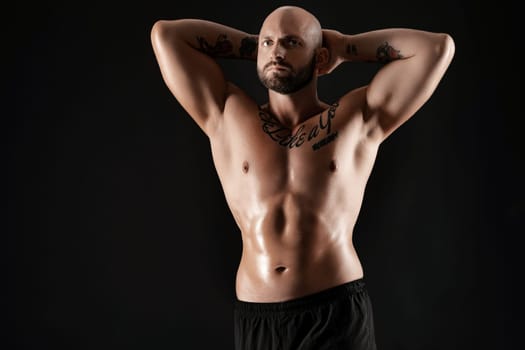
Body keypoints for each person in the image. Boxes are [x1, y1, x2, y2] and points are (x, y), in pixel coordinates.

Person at [150, 5, 454, 350]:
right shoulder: (226, 114)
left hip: (335, 312)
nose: (277, 51)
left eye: (292, 42)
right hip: (259, 317)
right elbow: (167, 35)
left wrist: (344, 46)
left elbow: (435, 48)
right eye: (268, 42)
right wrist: (258, 46)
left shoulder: (357, 118)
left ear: (320, 58)